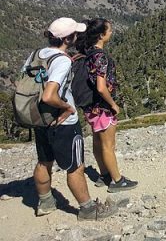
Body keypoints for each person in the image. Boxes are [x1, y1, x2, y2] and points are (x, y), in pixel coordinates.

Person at [28, 17, 118, 220]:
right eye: (75, 33)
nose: (78, 36)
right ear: (68, 38)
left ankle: (45, 202)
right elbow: (49, 95)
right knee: (75, 166)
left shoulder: (37, 54)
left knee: (44, 162)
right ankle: (87, 209)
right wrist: (67, 107)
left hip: (41, 118)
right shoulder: (61, 60)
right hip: (63, 122)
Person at [75, 18, 137, 191]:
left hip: (90, 106)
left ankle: (104, 175)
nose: (111, 32)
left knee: (97, 142)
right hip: (102, 107)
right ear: (101, 35)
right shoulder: (100, 56)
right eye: (109, 30)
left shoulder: (87, 53)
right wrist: (113, 104)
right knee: (108, 146)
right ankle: (117, 181)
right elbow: (101, 87)